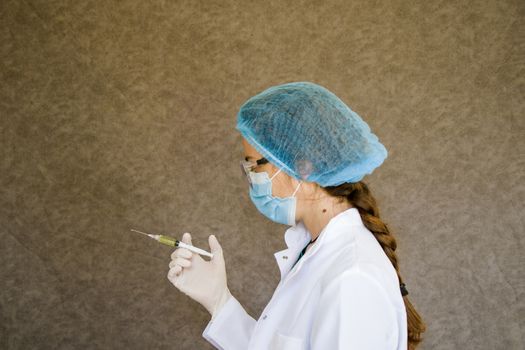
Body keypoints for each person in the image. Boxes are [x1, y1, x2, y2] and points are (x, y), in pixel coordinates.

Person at [167, 82, 426, 349]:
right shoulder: (312, 249)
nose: (251, 178)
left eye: (254, 165)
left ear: (302, 168)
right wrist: (219, 301)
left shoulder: (352, 279)